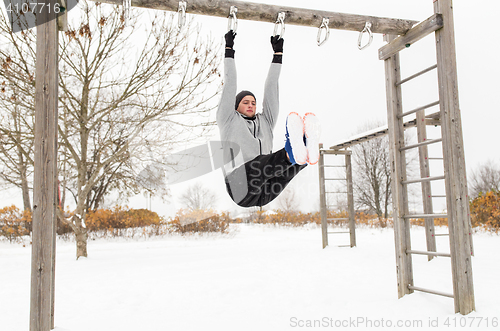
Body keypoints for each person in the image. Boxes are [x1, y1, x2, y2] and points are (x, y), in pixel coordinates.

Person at [217, 30, 320, 208]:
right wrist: (229, 49)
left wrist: (277, 55)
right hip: (239, 186)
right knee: (265, 163)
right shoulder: (228, 119)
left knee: (290, 168)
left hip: (264, 191)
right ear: (235, 106)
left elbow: (272, 87)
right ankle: (291, 153)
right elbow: (230, 81)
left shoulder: (265, 122)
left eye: (253, 103)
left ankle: (305, 150)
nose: (250, 105)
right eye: (245, 102)